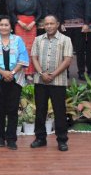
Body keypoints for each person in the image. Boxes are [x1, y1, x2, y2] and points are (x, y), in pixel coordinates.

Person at [31, 14, 74, 151]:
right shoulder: (38, 40)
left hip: (58, 82)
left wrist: (53, 75)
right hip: (40, 81)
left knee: (59, 111)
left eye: (51, 23)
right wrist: (42, 74)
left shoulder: (66, 40)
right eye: (46, 24)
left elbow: (67, 60)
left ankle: (62, 140)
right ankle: (40, 138)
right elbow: (34, 58)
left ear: (57, 24)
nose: (48, 26)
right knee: (40, 111)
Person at [0, 16, 29, 150]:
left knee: (12, 110)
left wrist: (12, 73)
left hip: (15, 80)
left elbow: (23, 57)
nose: (4, 27)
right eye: (1, 25)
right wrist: (3, 73)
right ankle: (0, 137)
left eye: (6, 25)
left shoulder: (18, 40)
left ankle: (11, 139)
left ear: (11, 27)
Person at [58, 0, 88, 79]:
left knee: (80, 50)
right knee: (65, 51)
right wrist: (60, 23)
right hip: (65, 27)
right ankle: (65, 71)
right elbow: (59, 10)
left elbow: (87, 8)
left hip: (80, 27)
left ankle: (81, 72)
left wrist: (86, 24)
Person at [11, 0, 41, 77]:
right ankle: (20, 71)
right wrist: (19, 22)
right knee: (19, 47)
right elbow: (12, 12)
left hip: (32, 25)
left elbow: (39, 13)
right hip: (19, 24)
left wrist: (33, 23)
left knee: (31, 48)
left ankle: (29, 72)